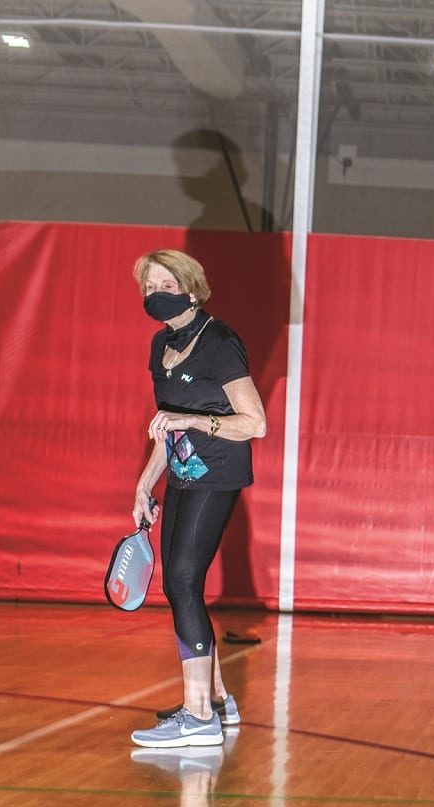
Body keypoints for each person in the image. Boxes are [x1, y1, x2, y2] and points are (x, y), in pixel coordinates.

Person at [127, 250, 266, 749]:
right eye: (147, 286)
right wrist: (145, 483)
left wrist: (193, 421)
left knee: (184, 580)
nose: (154, 292)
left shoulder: (220, 343)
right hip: (181, 474)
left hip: (219, 473)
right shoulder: (159, 347)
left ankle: (199, 715)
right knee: (178, 586)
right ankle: (217, 701)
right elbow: (165, 425)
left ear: (190, 287)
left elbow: (256, 423)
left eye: (164, 283)